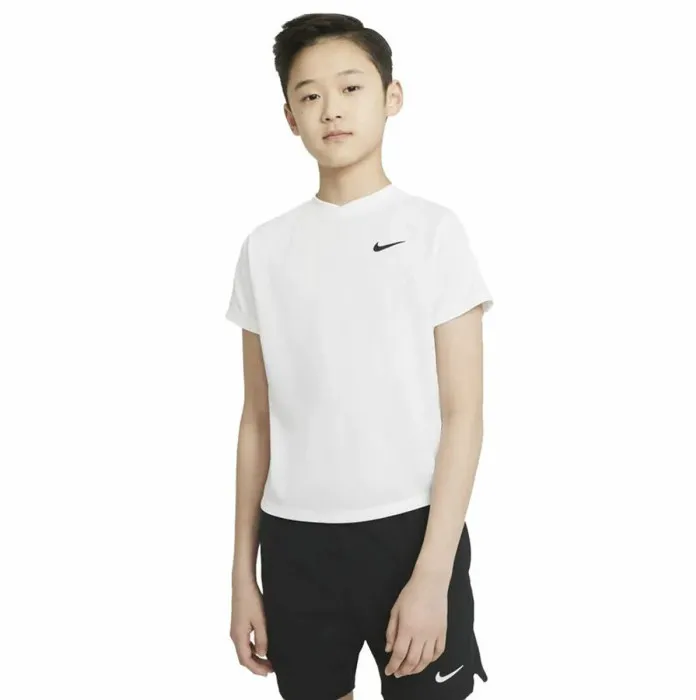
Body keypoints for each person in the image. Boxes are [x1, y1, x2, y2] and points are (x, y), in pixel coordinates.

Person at [227, 12, 493, 700]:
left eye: (350, 88)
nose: (332, 109)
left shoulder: (432, 232)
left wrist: (432, 574)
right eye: (310, 95)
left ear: (391, 96)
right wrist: (242, 577)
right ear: (289, 116)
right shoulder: (265, 248)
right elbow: (257, 420)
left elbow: (464, 414)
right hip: (295, 542)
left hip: (411, 533)